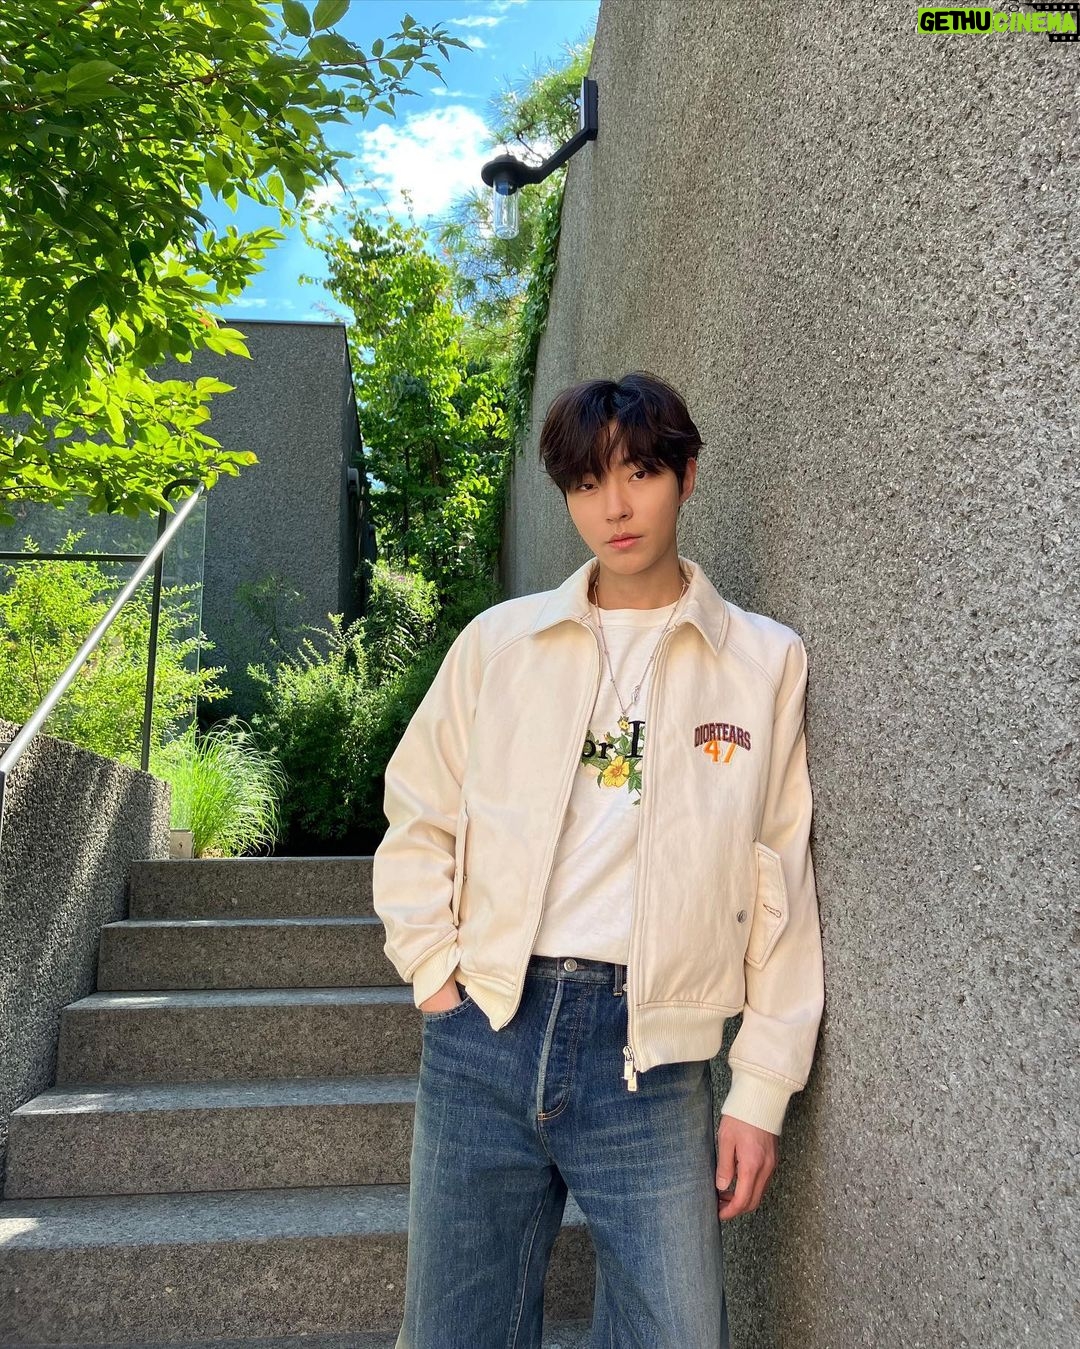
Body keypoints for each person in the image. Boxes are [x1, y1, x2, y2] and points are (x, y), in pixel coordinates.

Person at [372, 371, 825, 1349]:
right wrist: (435, 975)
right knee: (454, 1331)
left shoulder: (761, 661)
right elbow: (418, 810)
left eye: (640, 473)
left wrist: (760, 1088)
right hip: (486, 1027)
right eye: (587, 482)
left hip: (650, 1053)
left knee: (676, 1332)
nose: (614, 506)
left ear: (687, 477)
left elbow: (782, 878)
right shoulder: (500, 644)